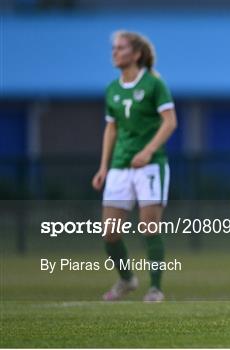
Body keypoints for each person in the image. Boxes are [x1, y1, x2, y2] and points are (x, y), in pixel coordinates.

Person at [92, 31, 177, 301]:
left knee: (149, 227)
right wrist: (104, 166)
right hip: (120, 166)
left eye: (120, 48)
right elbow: (111, 128)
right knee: (109, 233)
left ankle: (155, 288)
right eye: (113, 48)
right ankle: (127, 279)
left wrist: (148, 151)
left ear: (136, 54)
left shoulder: (153, 84)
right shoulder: (112, 89)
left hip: (151, 165)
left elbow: (170, 121)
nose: (114, 53)